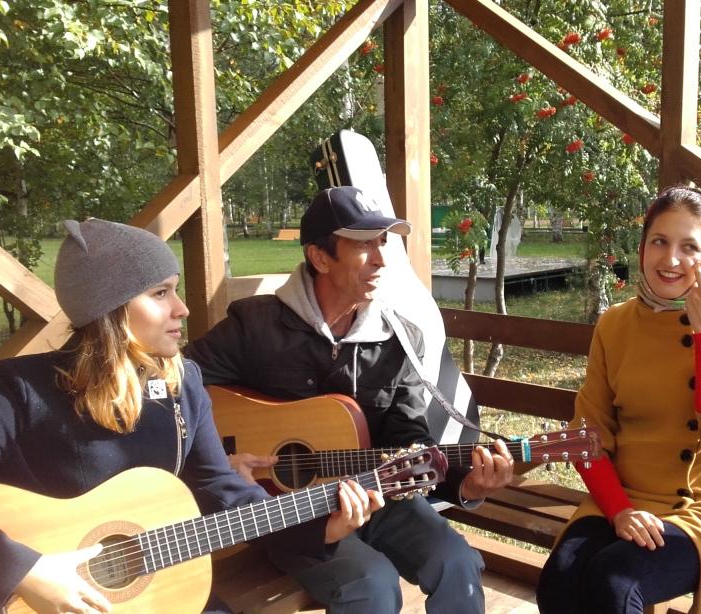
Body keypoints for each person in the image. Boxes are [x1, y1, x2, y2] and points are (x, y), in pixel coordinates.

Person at [0, 219, 381, 614]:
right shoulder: (24, 392)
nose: (182, 308)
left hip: (161, 593)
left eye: (176, 290)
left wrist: (319, 526)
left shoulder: (182, 382)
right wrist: (24, 571)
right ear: (110, 309)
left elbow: (220, 489)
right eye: (160, 293)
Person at [185, 185, 514, 614]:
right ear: (320, 257)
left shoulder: (399, 339)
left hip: (379, 494)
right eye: (363, 245)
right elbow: (177, 386)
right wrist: (216, 461)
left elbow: (408, 442)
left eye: (383, 242)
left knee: (456, 562)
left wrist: (465, 484)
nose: (381, 259)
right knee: (372, 585)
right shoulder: (256, 324)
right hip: (286, 510)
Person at [536, 186, 701, 614]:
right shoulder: (616, 324)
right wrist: (620, 511)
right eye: (660, 241)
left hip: (700, 508)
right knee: (559, 581)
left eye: (690, 247)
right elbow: (587, 435)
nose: (671, 260)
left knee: (614, 582)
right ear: (643, 245)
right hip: (621, 496)